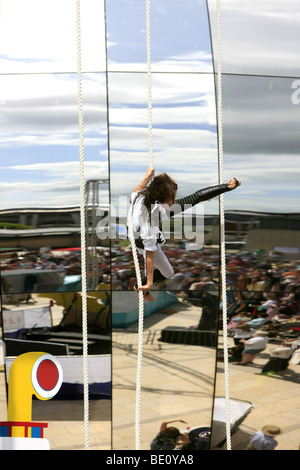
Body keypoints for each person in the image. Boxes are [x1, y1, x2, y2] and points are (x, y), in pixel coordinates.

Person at [129, 167, 241, 300]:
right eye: (172, 198)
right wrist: (148, 283)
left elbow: (134, 194)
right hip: (140, 239)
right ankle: (140, 286)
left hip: (144, 225)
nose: (174, 201)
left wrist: (147, 177)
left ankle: (227, 187)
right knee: (168, 272)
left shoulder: (141, 195)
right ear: (161, 197)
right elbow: (149, 256)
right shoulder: (148, 228)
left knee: (194, 199)